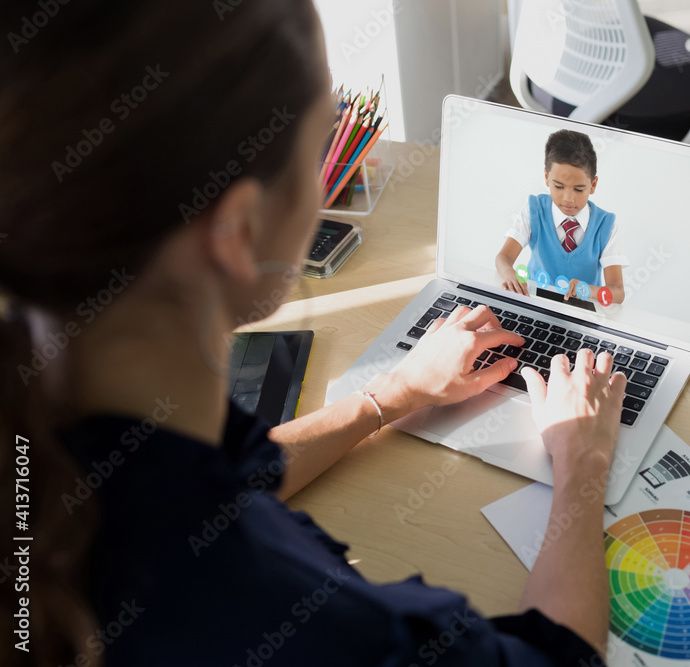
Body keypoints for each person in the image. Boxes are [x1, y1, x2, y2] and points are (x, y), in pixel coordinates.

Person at [0, 1, 627, 666]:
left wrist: (388, 396)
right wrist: (581, 462)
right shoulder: (323, 630)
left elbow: (198, 489)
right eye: (322, 141)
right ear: (238, 231)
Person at [495, 130, 627, 305]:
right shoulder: (534, 209)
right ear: (547, 178)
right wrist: (510, 274)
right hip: (534, 302)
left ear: (593, 185)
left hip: (582, 311)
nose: (568, 198)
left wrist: (587, 290)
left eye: (579, 189)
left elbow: (617, 292)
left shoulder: (606, 225)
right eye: (558, 186)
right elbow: (503, 257)